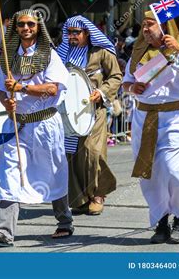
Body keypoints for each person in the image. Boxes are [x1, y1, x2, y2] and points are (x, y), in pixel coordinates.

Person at [0, 9, 73, 247]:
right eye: (21, 24)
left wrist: (21, 89)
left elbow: (53, 88)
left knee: (53, 171)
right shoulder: (8, 57)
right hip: (16, 125)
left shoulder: (50, 55)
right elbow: (2, 90)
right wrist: (7, 102)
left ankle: (64, 221)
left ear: (37, 27)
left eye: (30, 24)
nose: (26, 28)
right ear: (16, 28)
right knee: (9, 174)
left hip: (45, 124)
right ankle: (4, 232)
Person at [122, 10, 179, 244]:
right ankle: (161, 219)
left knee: (174, 170)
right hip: (144, 117)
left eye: (151, 25)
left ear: (165, 27)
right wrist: (132, 89)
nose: (146, 29)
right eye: (144, 26)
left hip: (175, 116)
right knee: (151, 175)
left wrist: (178, 48)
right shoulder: (139, 53)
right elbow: (126, 82)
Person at [57, 16, 122, 216]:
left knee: (92, 151)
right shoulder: (62, 54)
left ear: (87, 33)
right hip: (67, 112)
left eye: (76, 32)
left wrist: (101, 92)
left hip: (95, 110)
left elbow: (116, 76)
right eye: (69, 33)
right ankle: (80, 199)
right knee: (72, 154)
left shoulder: (101, 52)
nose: (72, 36)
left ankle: (98, 195)